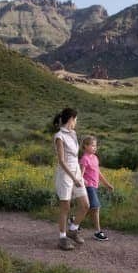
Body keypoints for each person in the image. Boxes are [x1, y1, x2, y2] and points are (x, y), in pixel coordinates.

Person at [52, 107, 88, 250]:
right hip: (65, 175)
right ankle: (62, 238)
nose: (76, 122)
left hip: (76, 172)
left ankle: (73, 230)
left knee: (86, 205)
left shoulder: (73, 133)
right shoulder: (59, 136)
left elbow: (74, 156)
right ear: (71, 119)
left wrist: (79, 175)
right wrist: (74, 178)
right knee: (65, 207)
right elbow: (61, 160)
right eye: (76, 119)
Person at [78, 135, 115, 241]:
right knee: (96, 208)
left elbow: (98, 173)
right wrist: (82, 180)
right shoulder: (84, 159)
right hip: (88, 186)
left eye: (96, 145)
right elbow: (81, 174)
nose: (95, 147)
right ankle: (98, 232)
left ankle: (74, 220)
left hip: (95, 186)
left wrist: (107, 184)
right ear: (85, 146)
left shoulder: (95, 158)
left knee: (89, 207)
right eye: (92, 145)